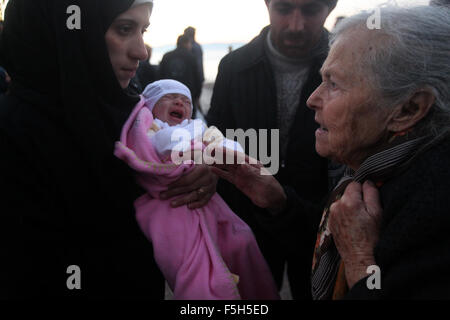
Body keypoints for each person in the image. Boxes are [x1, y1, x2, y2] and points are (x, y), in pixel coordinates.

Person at [212, 5, 450, 299]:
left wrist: (360, 261)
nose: (313, 99)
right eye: (284, 8)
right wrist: (279, 202)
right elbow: (338, 228)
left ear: (409, 109)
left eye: (334, 84)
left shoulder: (430, 203)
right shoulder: (375, 175)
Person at [0, 0, 218, 298]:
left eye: (143, 30)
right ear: (69, 32)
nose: (141, 51)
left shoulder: (133, 113)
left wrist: (199, 173)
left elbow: (166, 175)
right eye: (124, 28)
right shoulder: (14, 132)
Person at [207, 0, 338, 299]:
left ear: (330, 7)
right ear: (266, 4)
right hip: (249, 221)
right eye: (283, 9)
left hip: (320, 223)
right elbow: (213, 140)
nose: (296, 24)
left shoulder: (351, 65)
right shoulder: (233, 66)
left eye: (310, 10)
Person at [114, 79, 279, 300]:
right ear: (151, 107)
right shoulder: (150, 128)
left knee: (241, 238)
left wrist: (232, 156)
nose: (179, 102)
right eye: (169, 98)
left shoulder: (198, 127)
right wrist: (200, 148)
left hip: (205, 199)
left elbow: (223, 144)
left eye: (186, 101)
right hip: (165, 204)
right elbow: (158, 146)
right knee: (189, 260)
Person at [159, 34, 202, 118]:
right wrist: (197, 95)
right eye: (190, 44)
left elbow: (160, 77)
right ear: (186, 43)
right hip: (187, 96)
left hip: (168, 94)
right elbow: (198, 78)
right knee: (188, 120)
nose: (191, 46)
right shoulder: (191, 57)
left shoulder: (167, 56)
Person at [183, 26, 204, 114]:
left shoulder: (191, 47)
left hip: (190, 81)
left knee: (191, 106)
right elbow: (199, 66)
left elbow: (198, 66)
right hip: (195, 81)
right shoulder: (197, 46)